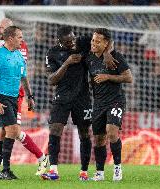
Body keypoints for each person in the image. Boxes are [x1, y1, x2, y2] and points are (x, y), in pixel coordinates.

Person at [0, 18, 48, 177]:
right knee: (2, 129)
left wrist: (29, 96)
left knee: (8, 131)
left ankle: (37, 158)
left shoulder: (20, 51)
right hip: (0, 95)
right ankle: (1, 169)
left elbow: (18, 74)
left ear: (9, 33)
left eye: (1, 27)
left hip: (15, 95)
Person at [41, 26, 117, 181]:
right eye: (68, 42)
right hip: (62, 97)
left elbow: (107, 40)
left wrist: (108, 53)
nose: (72, 43)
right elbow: (51, 80)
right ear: (60, 41)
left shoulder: (83, 42)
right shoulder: (53, 53)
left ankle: (84, 172)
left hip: (82, 98)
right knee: (55, 130)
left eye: (73, 38)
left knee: (84, 133)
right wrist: (66, 63)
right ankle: (53, 170)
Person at [0, 25, 37, 180]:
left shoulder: (19, 56)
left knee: (2, 132)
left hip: (14, 98)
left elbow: (23, 77)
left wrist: (30, 96)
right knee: (13, 130)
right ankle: (6, 169)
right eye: (19, 37)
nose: (22, 40)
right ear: (10, 38)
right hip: (0, 97)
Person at [85, 28, 133, 181]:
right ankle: (99, 173)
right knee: (99, 139)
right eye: (93, 40)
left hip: (115, 100)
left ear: (106, 43)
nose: (94, 43)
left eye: (98, 41)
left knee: (112, 133)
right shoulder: (89, 58)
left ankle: (117, 168)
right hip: (98, 103)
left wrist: (107, 76)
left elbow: (128, 78)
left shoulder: (116, 57)